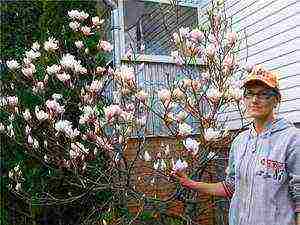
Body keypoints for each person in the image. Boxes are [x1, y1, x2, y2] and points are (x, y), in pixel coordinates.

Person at [175, 65, 300, 225]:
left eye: (263, 94)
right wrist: (191, 183)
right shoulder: (240, 141)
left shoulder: (292, 139)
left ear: (276, 100)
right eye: (249, 94)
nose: (255, 100)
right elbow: (231, 187)